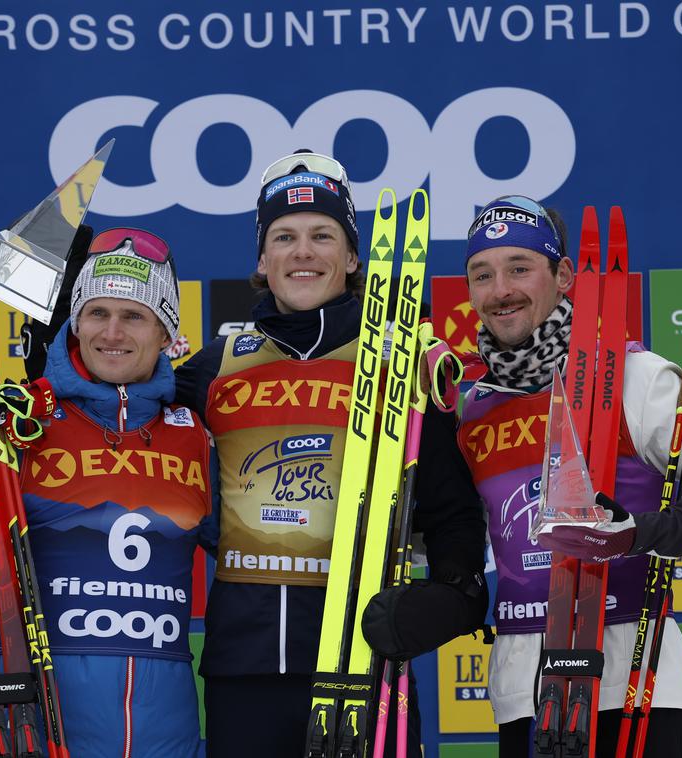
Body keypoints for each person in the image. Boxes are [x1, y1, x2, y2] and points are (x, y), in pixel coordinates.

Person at [173, 151, 489, 757]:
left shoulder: (403, 362)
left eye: (323, 235)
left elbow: (451, 509)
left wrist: (456, 591)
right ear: (262, 261)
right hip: (245, 667)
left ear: (351, 257)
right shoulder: (215, 366)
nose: (303, 251)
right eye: (284, 237)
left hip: (365, 655)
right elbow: (124, 412)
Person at [0, 228, 214, 758]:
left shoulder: (195, 436)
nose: (112, 332)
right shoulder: (22, 424)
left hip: (170, 736)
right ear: (75, 322)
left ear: (166, 333)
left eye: (134, 316)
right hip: (40, 727)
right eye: (96, 313)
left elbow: (253, 550)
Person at [454, 195, 682, 757]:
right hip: (523, 695)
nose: (500, 289)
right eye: (483, 274)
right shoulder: (471, 406)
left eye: (520, 268)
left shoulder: (632, 376)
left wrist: (636, 534)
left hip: (634, 691)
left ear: (566, 275)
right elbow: (452, 536)